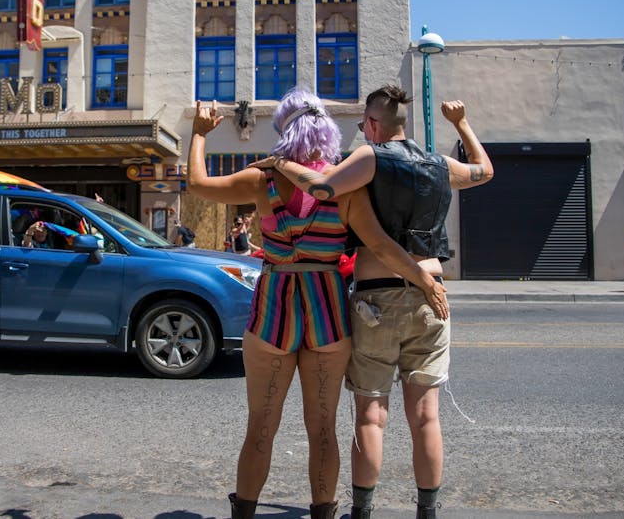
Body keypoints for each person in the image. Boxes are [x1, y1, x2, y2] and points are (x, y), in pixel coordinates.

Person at [187, 89, 447, 519]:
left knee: (261, 427)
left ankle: (244, 513)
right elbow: (380, 244)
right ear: (326, 131)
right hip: (326, 308)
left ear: (284, 131)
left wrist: (199, 134)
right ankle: (324, 511)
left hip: (274, 306)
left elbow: (197, 184)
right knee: (323, 428)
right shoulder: (344, 185)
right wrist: (421, 277)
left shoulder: (261, 178)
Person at [259, 85, 493, 519]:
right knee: (426, 417)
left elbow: (323, 187)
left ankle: (363, 512)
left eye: (364, 124)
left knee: (371, 416)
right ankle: (427, 512)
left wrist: (279, 162)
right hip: (432, 297)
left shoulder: (370, 157)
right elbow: (484, 169)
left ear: (371, 124)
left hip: (378, 296)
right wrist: (460, 124)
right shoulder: (438, 164)